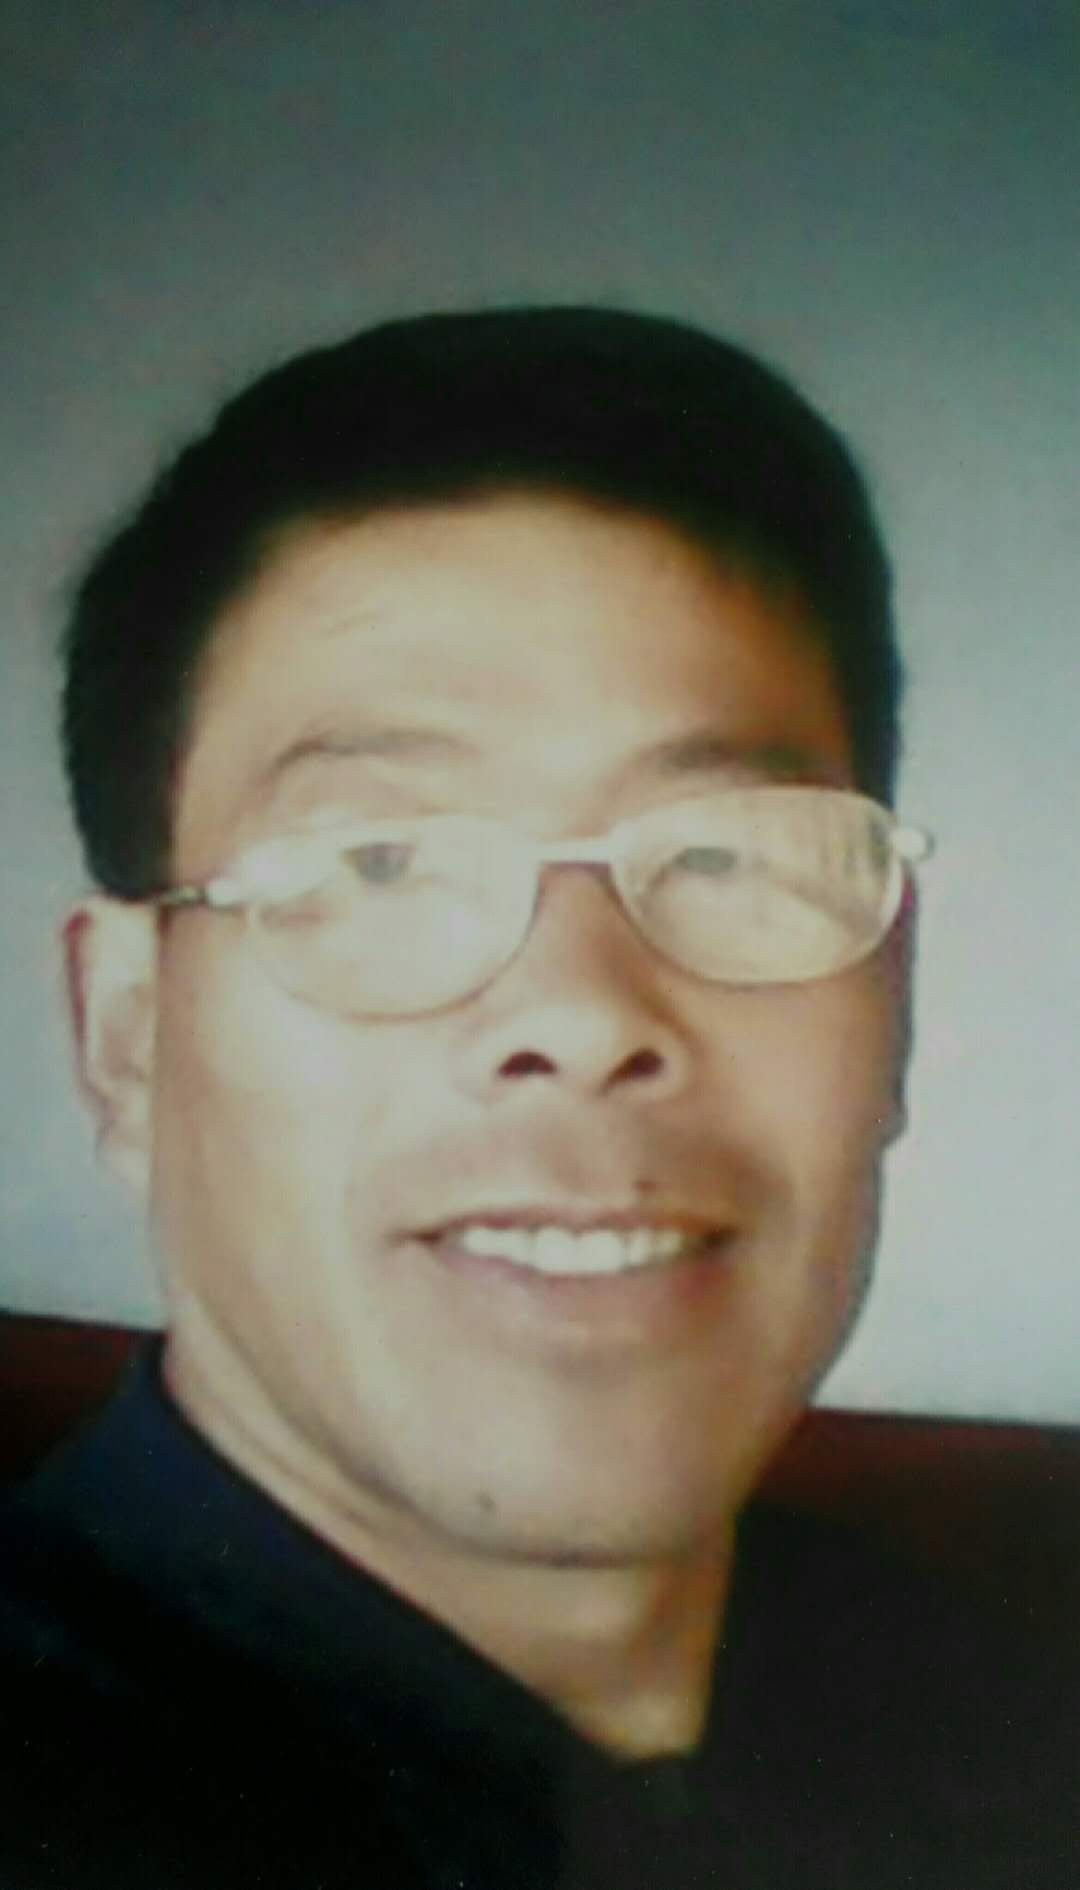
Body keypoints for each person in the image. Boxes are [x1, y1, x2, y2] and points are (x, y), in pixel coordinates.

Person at [0, 307, 1070, 1887]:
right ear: (127, 1037)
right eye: (382, 861)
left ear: (895, 1003)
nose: (582, 1014)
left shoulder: (1009, 1707)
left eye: (725, 854)